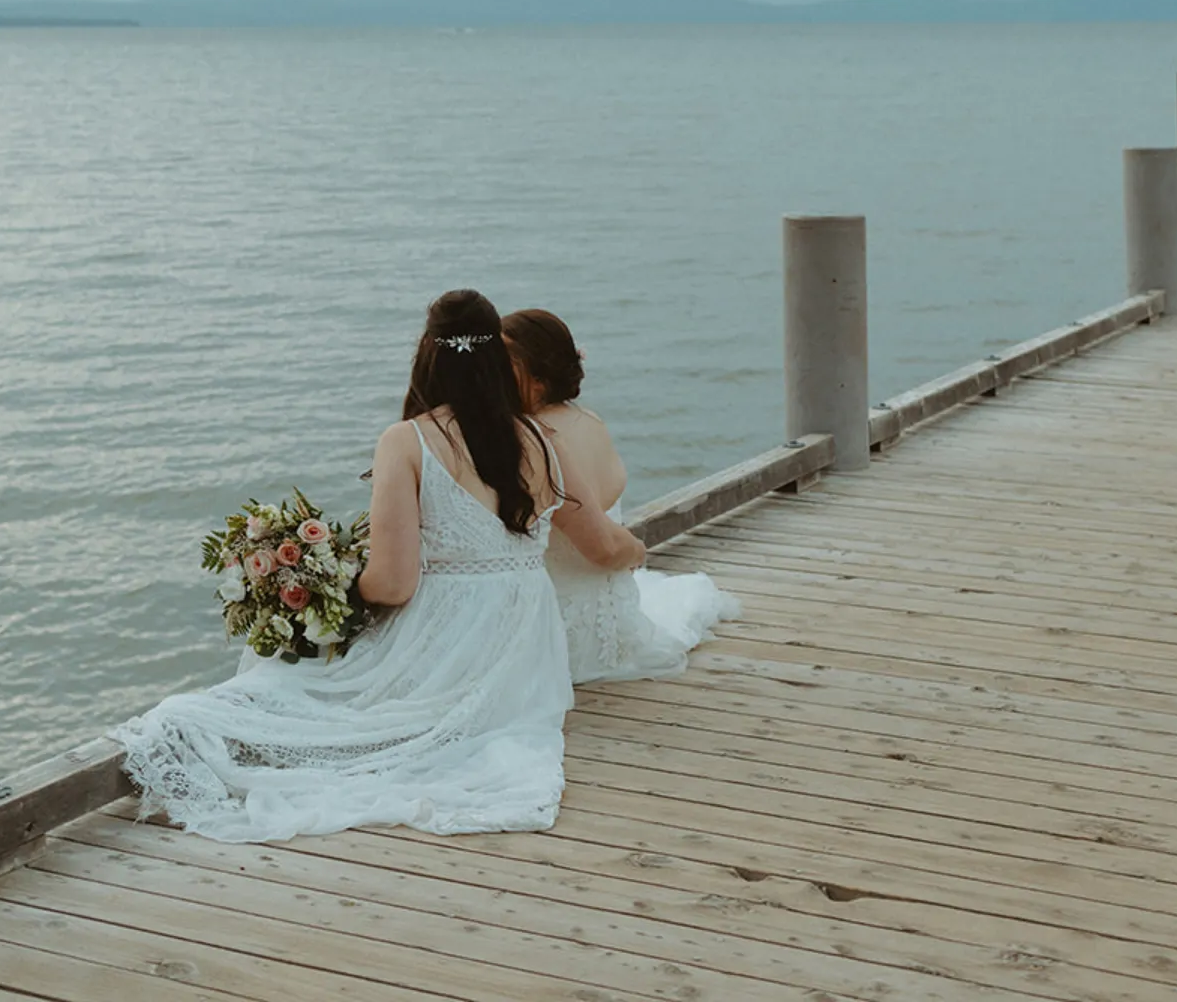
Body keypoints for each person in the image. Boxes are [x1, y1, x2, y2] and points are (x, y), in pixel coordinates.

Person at [115, 288, 644, 840]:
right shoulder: (541, 438)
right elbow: (600, 540)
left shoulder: (408, 440)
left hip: (450, 636)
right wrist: (638, 551)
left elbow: (393, 583)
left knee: (280, 691)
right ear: (495, 361)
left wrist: (339, 589)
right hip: (524, 661)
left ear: (427, 354)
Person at [501, 306, 741, 683]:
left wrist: (636, 550)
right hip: (607, 610)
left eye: (503, 363)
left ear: (537, 380)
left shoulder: (531, 443)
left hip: (556, 634)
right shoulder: (591, 421)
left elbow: (600, 547)